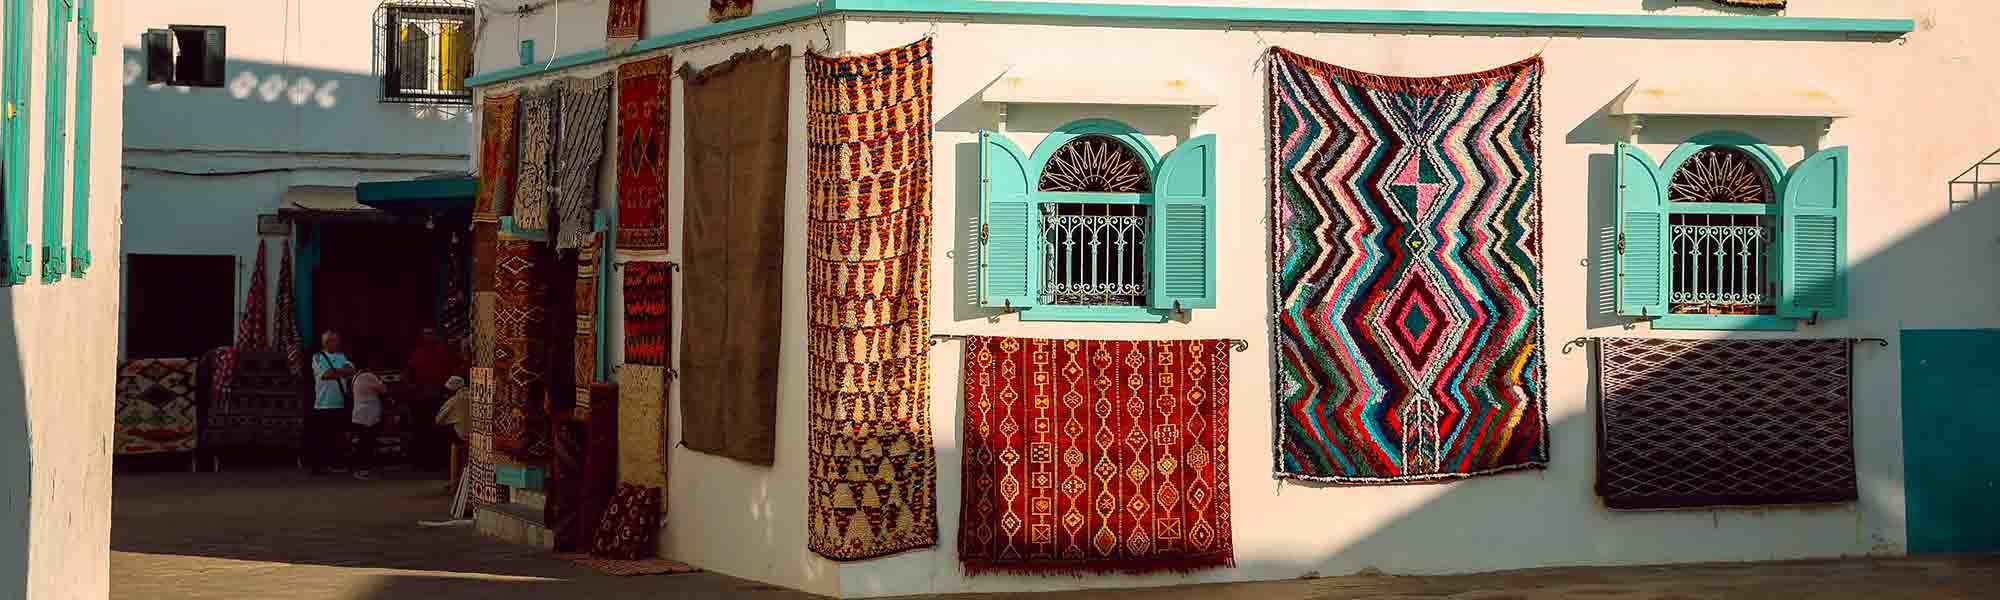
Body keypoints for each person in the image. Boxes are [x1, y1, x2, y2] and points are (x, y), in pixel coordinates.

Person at [405, 328, 458, 471]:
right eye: (426, 334)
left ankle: (439, 462)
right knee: (422, 431)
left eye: (430, 334)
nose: (428, 337)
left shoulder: (443, 352)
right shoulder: (417, 353)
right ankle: (422, 462)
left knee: (439, 430)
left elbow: (452, 372)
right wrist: (414, 389)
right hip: (422, 398)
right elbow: (409, 374)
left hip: (439, 396)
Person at [309, 332, 357, 474]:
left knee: (338, 437)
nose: (338, 343)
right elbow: (325, 374)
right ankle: (320, 466)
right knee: (322, 437)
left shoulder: (342, 356)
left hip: (339, 403)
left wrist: (336, 371)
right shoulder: (318, 357)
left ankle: (336, 464)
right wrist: (342, 371)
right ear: (327, 342)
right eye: (335, 341)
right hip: (323, 404)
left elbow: (352, 370)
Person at [350, 369, 390, 480]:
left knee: (362, 442)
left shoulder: (356, 377)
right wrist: (381, 381)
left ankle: (362, 469)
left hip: (358, 413)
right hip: (369, 415)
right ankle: (365, 469)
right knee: (368, 442)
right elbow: (383, 390)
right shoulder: (369, 376)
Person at [433, 375, 469, 494]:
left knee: (441, 435)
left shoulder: (454, 400)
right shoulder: (475, 395)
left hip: (463, 437)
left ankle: (454, 478)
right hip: (479, 435)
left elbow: (439, 419)